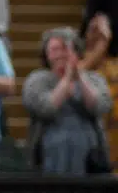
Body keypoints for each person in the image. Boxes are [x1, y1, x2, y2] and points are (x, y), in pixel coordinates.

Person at [22, 27, 113, 175]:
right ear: (46, 54)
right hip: (49, 153)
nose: (59, 55)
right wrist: (66, 80)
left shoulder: (95, 79)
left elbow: (100, 106)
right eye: (53, 49)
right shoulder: (36, 80)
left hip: (89, 155)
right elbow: (45, 108)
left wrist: (80, 76)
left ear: (76, 52)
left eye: (64, 49)